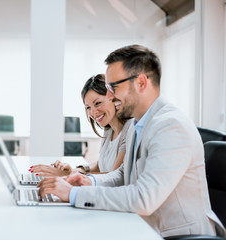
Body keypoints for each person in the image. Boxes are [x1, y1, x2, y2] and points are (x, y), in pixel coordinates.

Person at [37, 45, 226, 238]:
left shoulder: (171, 126)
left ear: (141, 83)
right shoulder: (140, 123)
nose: (109, 95)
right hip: (144, 228)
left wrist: (73, 194)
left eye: (114, 87)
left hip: (174, 236)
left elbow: (144, 198)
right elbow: (122, 176)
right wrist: (88, 181)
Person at [30, 74, 132, 176]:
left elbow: (114, 178)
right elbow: (100, 165)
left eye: (97, 103)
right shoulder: (109, 130)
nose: (92, 113)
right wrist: (76, 170)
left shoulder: (129, 130)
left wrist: (70, 175)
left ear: (113, 97)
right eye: (88, 107)